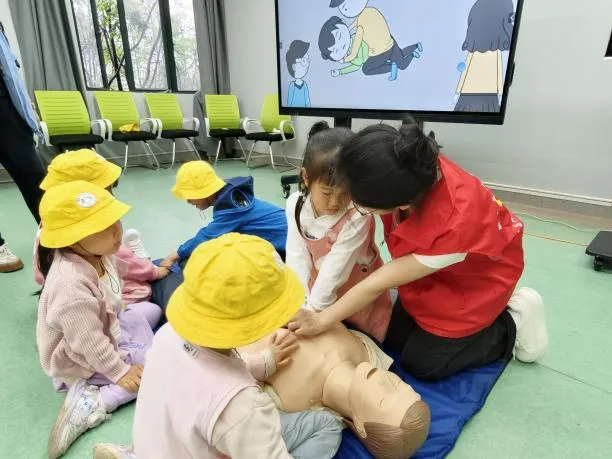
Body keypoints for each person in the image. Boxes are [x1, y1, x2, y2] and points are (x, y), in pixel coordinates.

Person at [288, 118, 548, 381]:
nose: (347, 205)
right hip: (433, 274)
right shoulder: (405, 162)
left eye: (363, 206)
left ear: (400, 204)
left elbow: (375, 284)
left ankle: (512, 320)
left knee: (423, 363)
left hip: (476, 284)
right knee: (394, 337)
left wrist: (320, 319)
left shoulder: (455, 225)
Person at [132, 233, 344, 459]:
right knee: (327, 425)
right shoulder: (243, 407)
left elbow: (202, 373)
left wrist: (265, 361)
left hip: (157, 448)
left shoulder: (167, 334)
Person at [36, 181, 162, 458]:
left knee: (151, 311)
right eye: (102, 226)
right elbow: (89, 343)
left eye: (114, 219)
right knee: (157, 369)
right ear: (72, 239)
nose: (117, 230)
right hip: (81, 357)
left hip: (106, 326)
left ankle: (125, 358)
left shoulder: (97, 254)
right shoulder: (70, 286)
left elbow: (110, 298)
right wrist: (121, 371)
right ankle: (93, 401)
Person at [240, 323, 431, 459]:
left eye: (383, 400)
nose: (385, 381)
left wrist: (262, 362)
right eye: (400, 385)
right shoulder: (366, 350)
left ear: (361, 426)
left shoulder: (297, 411)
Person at [286, 121, 391, 342]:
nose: (335, 203)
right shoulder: (295, 204)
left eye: (345, 194)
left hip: (354, 287)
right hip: (319, 283)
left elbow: (336, 270)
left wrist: (312, 312)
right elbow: (297, 255)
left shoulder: (357, 215)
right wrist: (299, 303)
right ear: (306, 177)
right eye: (326, 193)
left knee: (354, 335)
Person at [33, 149, 170, 303]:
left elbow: (39, 274)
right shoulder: (91, 239)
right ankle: (144, 259)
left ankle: (141, 258)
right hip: (95, 285)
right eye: (108, 189)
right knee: (142, 290)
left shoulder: (54, 220)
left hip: (54, 281)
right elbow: (123, 259)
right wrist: (153, 272)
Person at [161, 160, 288, 268]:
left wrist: (175, 255)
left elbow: (206, 236)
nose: (188, 201)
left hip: (288, 251)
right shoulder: (231, 194)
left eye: (190, 196)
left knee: (190, 262)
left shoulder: (232, 209)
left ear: (204, 192)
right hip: (287, 240)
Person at [0, 20, 46, 273]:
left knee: (35, 177)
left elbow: (10, 69)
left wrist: (27, 109)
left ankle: (58, 235)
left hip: (5, 105)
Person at [328, 0, 422, 81]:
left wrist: (344, 60)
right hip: (390, 42)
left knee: (366, 69)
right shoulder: (370, 10)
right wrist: (347, 30)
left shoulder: (360, 28)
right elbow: (356, 22)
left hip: (380, 53)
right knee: (402, 64)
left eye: (345, 8)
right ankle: (415, 47)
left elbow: (354, 52)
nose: (345, 11)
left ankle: (391, 66)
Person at [454, 0, 515, 112]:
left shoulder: (476, 53)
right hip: (485, 95)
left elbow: (465, 73)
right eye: (510, 19)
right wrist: (501, 91)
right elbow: (498, 73)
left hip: (476, 94)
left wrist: (458, 91)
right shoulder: (492, 54)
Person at [286, 40, 312, 108]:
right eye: (304, 61)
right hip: (295, 111)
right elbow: (289, 101)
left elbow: (307, 100)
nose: (307, 65)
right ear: (294, 67)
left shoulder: (305, 85)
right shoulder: (292, 86)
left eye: (307, 60)